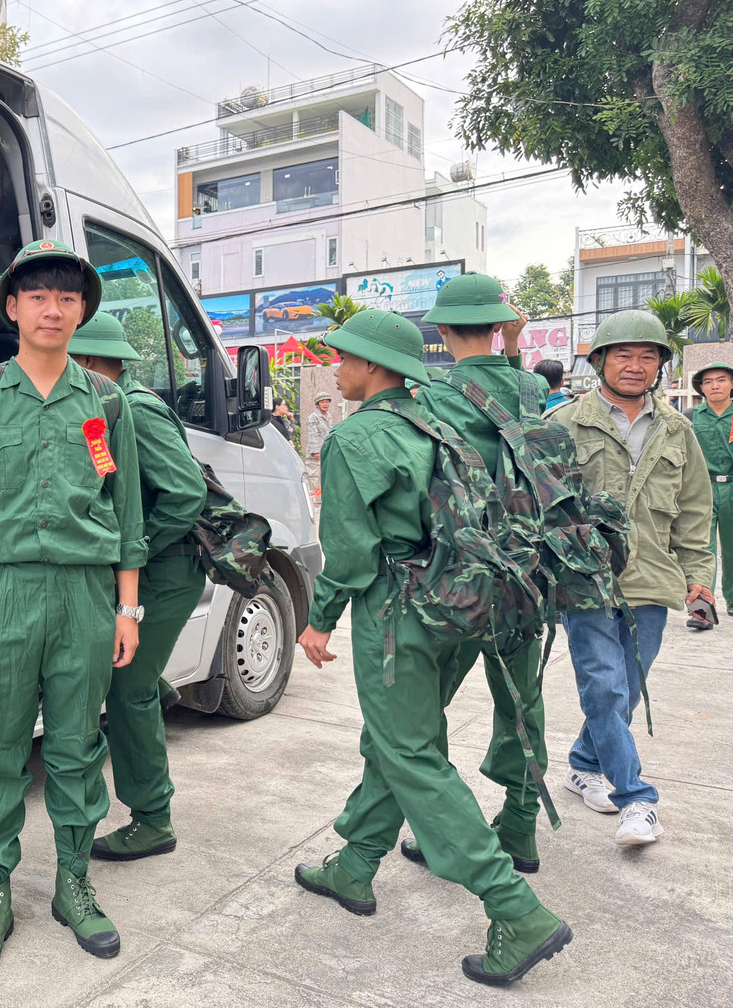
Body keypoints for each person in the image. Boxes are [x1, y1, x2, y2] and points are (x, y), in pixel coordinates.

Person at [294, 309, 570, 986]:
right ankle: (356, 863)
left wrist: (318, 618)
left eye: (345, 357)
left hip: (390, 611)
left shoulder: (355, 438)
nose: (338, 367)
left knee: (410, 752)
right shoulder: (434, 423)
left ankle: (514, 906)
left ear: (372, 367)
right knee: (398, 739)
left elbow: (352, 554)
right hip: (452, 601)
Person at [0, 240, 146, 980]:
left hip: (86, 597)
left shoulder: (109, 403)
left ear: (82, 309)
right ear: (12, 306)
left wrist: (128, 609)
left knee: (79, 748)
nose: (53, 308)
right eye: (38, 295)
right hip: (3, 595)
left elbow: (127, 513)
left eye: (67, 296)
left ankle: (74, 885)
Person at [549, 310, 715, 845]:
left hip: (650, 576)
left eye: (648, 356)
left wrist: (699, 576)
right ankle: (636, 799)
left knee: (628, 686)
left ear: (661, 367)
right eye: (623, 354)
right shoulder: (563, 424)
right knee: (603, 681)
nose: (635, 366)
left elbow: (693, 510)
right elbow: (541, 505)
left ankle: (580, 764)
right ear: (598, 360)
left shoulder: (677, 429)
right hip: (585, 578)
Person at [405, 273, 547, 874]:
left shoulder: (433, 394)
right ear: (499, 324)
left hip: (457, 574)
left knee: (421, 706)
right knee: (522, 701)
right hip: (526, 570)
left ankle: (443, 830)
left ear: (440, 330)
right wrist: (512, 347)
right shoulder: (533, 387)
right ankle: (520, 827)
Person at [66, 312, 208, 864]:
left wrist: (135, 546)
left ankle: (153, 820)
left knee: (127, 690)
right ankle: (158, 693)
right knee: (132, 679)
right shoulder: (104, 410)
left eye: (75, 361)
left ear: (94, 362)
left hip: (164, 571)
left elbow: (185, 493)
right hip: (149, 568)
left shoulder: (136, 410)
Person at [689, 362, 733, 622]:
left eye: (721, 380)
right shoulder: (690, 417)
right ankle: (701, 609)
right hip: (701, 489)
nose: (714, 386)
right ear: (701, 388)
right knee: (702, 550)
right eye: (708, 382)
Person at [304, 392, 332, 498]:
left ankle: (321, 499)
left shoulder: (328, 416)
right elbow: (313, 435)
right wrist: (316, 451)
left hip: (326, 451)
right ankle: (314, 501)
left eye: (327, 402)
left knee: (324, 477)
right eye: (322, 402)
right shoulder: (313, 417)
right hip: (315, 453)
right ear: (317, 404)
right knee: (314, 476)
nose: (325, 404)